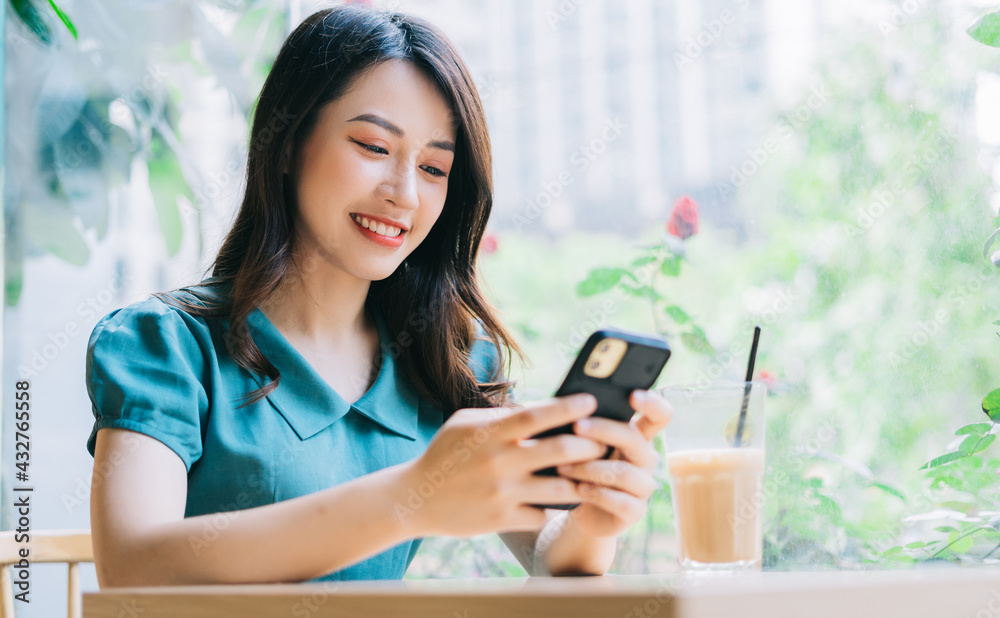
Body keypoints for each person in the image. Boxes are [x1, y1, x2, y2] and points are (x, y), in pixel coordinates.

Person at [85, 5, 671, 586]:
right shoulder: (169, 346)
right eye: (372, 146)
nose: (404, 194)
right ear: (287, 144)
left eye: (435, 169)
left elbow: (550, 558)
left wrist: (596, 520)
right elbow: (132, 565)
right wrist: (412, 497)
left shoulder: (445, 361)